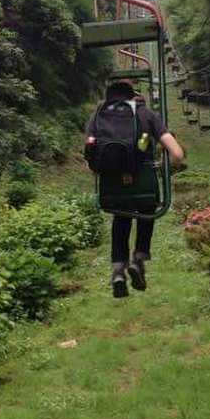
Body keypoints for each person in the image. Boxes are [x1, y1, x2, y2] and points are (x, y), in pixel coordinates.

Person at [85, 80, 184, 298]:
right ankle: (138, 259)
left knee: (120, 217)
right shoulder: (146, 115)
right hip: (144, 183)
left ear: (108, 96)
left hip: (112, 187)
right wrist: (159, 166)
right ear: (132, 97)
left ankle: (118, 271)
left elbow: (90, 152)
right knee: (146, 210)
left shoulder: (97, 117)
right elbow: (176, 154)